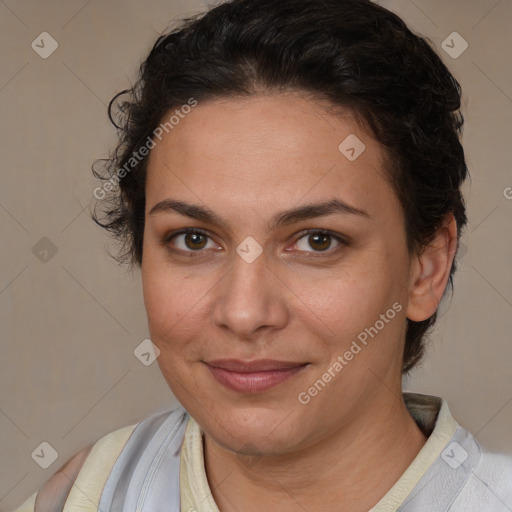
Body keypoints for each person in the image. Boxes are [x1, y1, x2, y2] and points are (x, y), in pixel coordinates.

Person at [13, 0, 512, 510]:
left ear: (425, 268)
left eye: (318, 240)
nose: (245, 313)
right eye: (194, 239)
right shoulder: (83, 497)